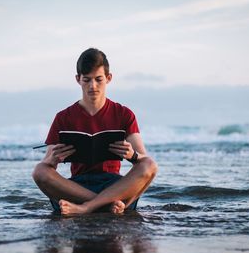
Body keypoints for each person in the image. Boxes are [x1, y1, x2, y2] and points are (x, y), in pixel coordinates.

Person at [32, 48, 158, 215]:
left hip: (114, 185)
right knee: (39, 171)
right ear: (78, 79)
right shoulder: (63, 117)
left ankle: (87, 207)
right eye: (87, 80)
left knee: (150, 165)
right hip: (78, 187)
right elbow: (48, 166)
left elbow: (144, 160)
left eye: (99, 79)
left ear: (108, 78)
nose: (93, 86)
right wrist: (52, 158)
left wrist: (133, 155)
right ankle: (104, 205)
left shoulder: (124, 114)